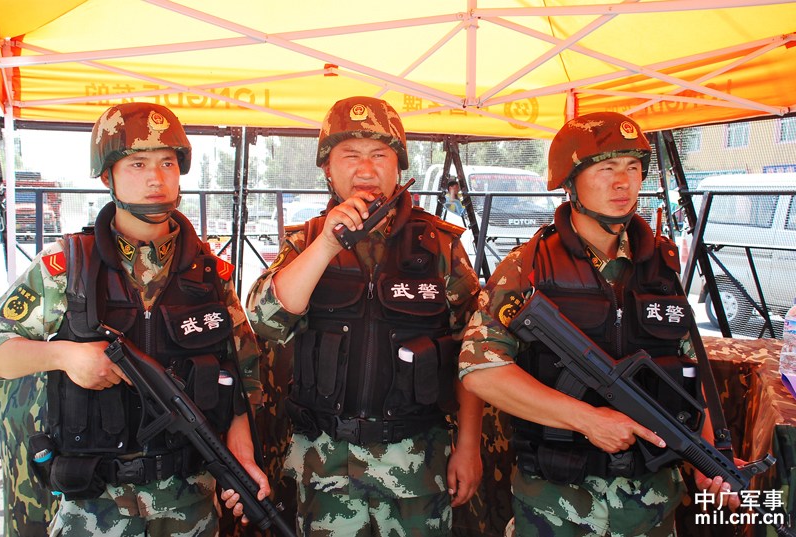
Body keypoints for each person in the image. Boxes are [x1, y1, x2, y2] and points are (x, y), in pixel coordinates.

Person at [459, 111, 739, 536]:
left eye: (633, 168)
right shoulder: (528, 266)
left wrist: (707, 456)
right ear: (570, 181)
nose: (623, 182)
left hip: (650, 506)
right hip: (556, 505)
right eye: (606, 169)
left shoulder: (661, 265)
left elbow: (687, 368)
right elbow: (479, 369)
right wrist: (587, 419)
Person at [0, 102, 269, 536]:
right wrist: (64, 356)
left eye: (167, 163)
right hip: (93, 509)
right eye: (138, 164)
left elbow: (242, 374)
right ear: (107, 176)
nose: (156, 178)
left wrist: (243, 457)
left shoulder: (209, 275)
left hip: (189, 504)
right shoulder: (67, 267)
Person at [246, 96, 484, 536]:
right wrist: (326, 246)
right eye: (350, 156)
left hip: (417, 463)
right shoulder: (307, 242)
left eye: (379, 155)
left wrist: (468, 446)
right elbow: (264, 320)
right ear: (328, 169)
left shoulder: (440, 245)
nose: (366, 169)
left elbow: (474, 354)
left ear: (398, 167)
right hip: (325, 465)